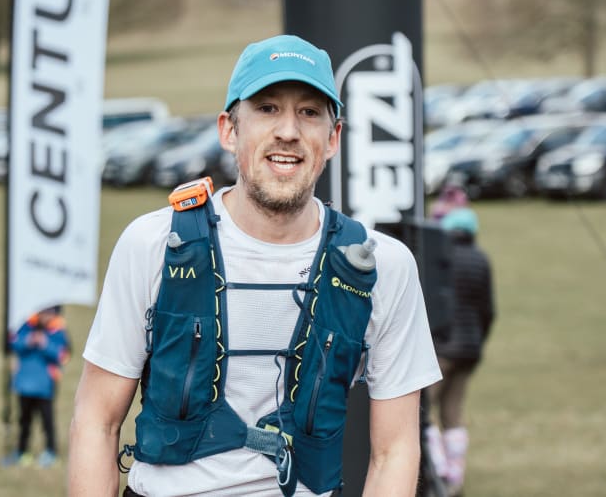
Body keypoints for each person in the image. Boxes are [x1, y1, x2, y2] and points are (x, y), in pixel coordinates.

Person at [68, 34, 442, 497]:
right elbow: (97, 421)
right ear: (229, 130)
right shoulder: (154, 243)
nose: (288, 131)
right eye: (267, 109)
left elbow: (395, 452)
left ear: (333, 138)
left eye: (309, 112)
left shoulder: (382, 265)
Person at [423, 207, 495, 497]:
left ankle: (438, 473)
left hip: (441, 348)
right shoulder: (480, 259)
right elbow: (488, 310)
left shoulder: (441, 257)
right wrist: (478, 340)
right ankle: (455, 478)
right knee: (452, 413)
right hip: (470, 349)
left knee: (423, 413)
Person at [3, 305, 71, 469]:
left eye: (49, 312)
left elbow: (63, 355)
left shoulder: (57, 332)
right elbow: (13, 343)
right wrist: (28, 340)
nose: (45, 316)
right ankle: (22, 451)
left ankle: (50, 451)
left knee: (47, 421)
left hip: (45, 386)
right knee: (24, 421)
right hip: (24, 385)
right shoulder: (25, 326)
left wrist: (45, 343)